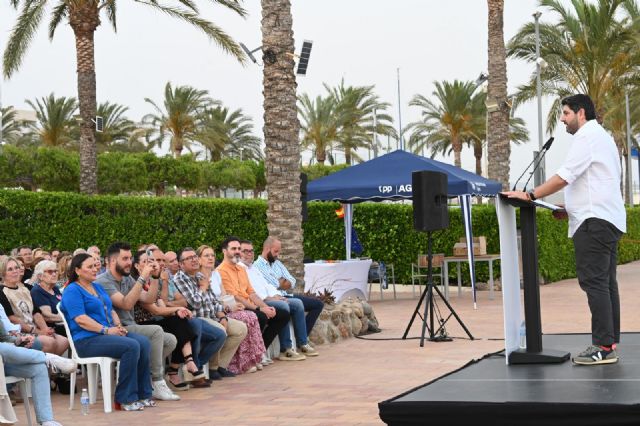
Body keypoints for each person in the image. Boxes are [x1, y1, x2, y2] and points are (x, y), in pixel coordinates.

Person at [503, 94, 626, 366]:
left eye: (566, 113)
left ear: (581, 113)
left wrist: (531, 195)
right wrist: (568, 207)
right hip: (606, 218)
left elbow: (564, 176)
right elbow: (597, 183)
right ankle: (609, 343)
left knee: (595, 282)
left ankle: (603, 347)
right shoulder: (603, 137)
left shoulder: (586, 137)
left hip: (593, 223)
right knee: (605, 283)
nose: (562, 119)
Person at [60, 253, 154, 411]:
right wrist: (106, 330)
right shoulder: (72, 290)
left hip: (104, 334)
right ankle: (124, 399)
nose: (95, 269)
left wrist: (117, 325)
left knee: (143, 342)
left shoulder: (96, 286)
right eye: (89, 267)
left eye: (95, 266)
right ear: (77, 270)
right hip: (86, 340)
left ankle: (143, 395)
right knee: (131, 346)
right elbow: (80, 319)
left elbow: (110, 310)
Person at [95, 242, 179, 401]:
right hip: (118, 329)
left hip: (131, 326)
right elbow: (126, 304)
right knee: (156, 331)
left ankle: (146, 376)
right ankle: (157, 381)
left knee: (171, 340)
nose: (129, 262)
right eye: (125, 258)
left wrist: (154, 277)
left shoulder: (127, 279)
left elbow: (149, 298)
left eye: (130, 258)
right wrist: (142, 278)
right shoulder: (103, 281)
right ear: (112, 261)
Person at [132, 249, 204, 390]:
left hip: (157, 319)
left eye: (153, 261)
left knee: (180, 322)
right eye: (147, 262)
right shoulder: (136, 283)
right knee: (178, 324)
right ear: (137, 266)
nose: (153, 265)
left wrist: (177, 309)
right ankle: (177, 369)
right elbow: (155, 309)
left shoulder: (153, 279)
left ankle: (180, 366)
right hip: (143, 323)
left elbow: (164, 305)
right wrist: (176, 309)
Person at [172, 247, 247, 380]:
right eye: (189, 258)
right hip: (198, 317)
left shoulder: (200, 276)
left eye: (194, 256)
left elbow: (214, 300)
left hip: (213, 316)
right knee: (220, 332)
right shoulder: (179, 279)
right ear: (181, 264)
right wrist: (203, 288)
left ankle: (220, 367)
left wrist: (222, 315)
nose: (194, 260)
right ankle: (199, 365)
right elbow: (194, 303)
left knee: (241, 329)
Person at [240, 240, 318, 359]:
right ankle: (286, 349)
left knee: (298, 304)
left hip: (275, 295)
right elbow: (256, 290)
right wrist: (274, 293)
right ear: (267, 249)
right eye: (245, 251)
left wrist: (277, 294)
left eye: (251, 251)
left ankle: (303, 343)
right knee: (283, 307)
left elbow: (290, 281)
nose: (249, 253)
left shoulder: (254, 268)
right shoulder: (253, 267)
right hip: (260, 300)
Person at [216, 238, 291, 363]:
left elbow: (251, 292)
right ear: (224, 251)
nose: (237, 252)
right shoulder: (221, 270)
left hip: (250, 304)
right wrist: (259, 309)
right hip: (237, 306)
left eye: (238, 249)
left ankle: (261, 352)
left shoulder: (241, 269)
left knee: (282, 314)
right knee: (261, 317)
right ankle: (255, 355)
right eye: (233, 249)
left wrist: (264, 307)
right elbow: (235, 296)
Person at [198, 245, 267, 373]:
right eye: (206, 256)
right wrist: (228, 307)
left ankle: (227, 364)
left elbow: (224, 295)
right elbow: (204, 301)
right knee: (248, 316)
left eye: (212, 255)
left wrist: (233, 305)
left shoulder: (215, 274)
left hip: (223, 310)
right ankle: (241, 361)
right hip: (211, 313)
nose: (210, 258)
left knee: (246, 320)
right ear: (199, 259)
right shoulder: (197, 276)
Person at [0, 316, 75, 426]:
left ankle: (46, 420)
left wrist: (19, 340)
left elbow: (4, 338)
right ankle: (46, 357)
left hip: (3, 364)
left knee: (39, 369)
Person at [0, 257, 69, 355]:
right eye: (10, 269)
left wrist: (45, 329)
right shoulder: (2, 291)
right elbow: (12, 319)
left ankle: (50, 368)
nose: (15, 271)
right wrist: (37, 331)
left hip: (34, 327)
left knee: (64, 341)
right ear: (3, 273)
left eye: (16, 268)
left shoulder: (25, 289)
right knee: (50, 342)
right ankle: (45, 366)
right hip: (18, 331)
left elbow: (36, 312)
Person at [30, 260, 65, 336]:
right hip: (54, 330)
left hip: (64, 324)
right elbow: (47, 316)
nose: (54, 274)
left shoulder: (55, 288)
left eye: (55, 271)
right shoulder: (37, 291)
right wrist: (69, 318)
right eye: (50, 272)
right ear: (40, 276)